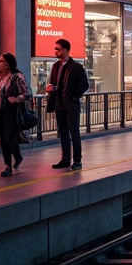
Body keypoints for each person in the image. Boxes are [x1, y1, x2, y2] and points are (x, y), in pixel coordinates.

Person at [46, 38, 89, 170]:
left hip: (71, 104)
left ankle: (77, 160)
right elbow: (54, 83)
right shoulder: (56, 66)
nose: (55, 51)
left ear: (65, 50)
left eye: (57, 49)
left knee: (74, 132)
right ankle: (65, 159)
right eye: (55, 49)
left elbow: (84, 84)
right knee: (63, 132)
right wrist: (51, 88)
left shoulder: (76, 67)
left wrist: (74, 97)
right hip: (59, 103)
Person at [0, 52, 30, 176]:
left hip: (12, 112)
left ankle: (17, 156)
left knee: (8, 137)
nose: (0, 64)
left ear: (9, 63)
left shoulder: (17, 77)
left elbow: (27, 93)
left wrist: (17, 99)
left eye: (3, 62)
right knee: (3, 140)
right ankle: (8, 166)